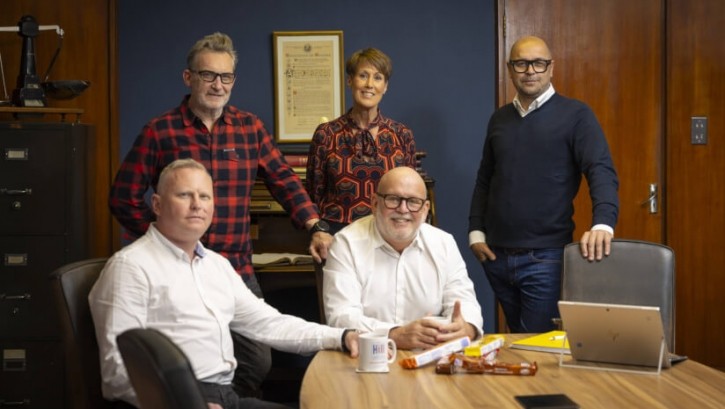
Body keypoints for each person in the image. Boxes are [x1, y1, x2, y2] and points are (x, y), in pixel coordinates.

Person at [108, 32, 333, 398]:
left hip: (233, 268)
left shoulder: (250, 128)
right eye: (208, 75)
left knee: (256, 360)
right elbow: (122, 198)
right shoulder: (160, 131)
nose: (217, 84)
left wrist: (315, 226)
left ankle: (218, 401)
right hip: (177, 270)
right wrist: (167, 241)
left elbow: (285, 181)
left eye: (225, 77)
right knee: (187, 355)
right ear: (189, 78)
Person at [91, 159, 359, 409]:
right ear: (158, 205)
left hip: (227, 397)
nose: (197, 204)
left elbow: (270, 324)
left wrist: (342, 336)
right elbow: (117, 371)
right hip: (177, 400)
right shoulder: (131, 267)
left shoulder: (215, 265)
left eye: (205, 196)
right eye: (184, 195)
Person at [468, 36, 619, 333]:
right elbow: (485, 178)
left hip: (546, 257)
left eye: (538, 63)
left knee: (535, 349)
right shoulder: (499, 119)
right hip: (495, 255)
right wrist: (476, 230)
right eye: (522, 63)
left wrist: (604, 223)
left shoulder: (577, 116)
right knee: (518, 343)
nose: (530, 71)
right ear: (511, 69)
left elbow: (600, 169)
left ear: (551, 68)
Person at [323, 167, 483, 350]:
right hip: (365, 359)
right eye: (393, 199)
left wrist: (466, 327)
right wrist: (395, 335)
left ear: (425, 210)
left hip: (430, 361)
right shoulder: (346, 244)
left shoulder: (444, 243)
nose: (403, 209)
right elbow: (340, 317)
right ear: (374, 204)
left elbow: (465, 302)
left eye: (413, 202)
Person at [306, 47, 417, 235]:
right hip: (336, 236)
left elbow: (410, 194)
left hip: (388, 236)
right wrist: (319, 232)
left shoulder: (402, 135)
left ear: (386, 86)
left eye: (378, 77)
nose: (369, 84)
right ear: (350, 80)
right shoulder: (326, 134)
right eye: (363, 76)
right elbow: (313, 194)